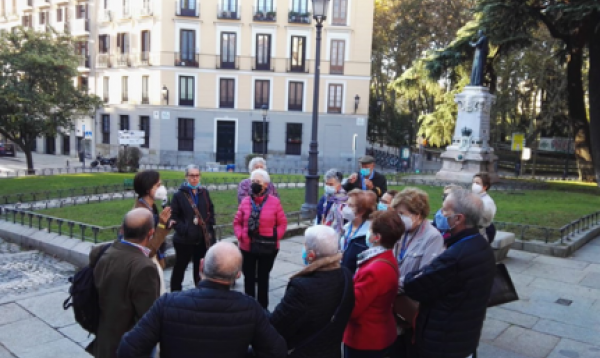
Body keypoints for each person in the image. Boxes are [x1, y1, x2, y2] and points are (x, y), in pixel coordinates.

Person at [117, 242, 287, 358]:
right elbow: (277, 351)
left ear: (201, 266)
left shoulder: (167, 303)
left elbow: (128, 349)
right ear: (237, 275)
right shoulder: (250, 308)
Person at [404, 189, 496, 358]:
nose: (440, 213)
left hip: (442, 341)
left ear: (459, 218)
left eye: (445, 210)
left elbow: (414, 286)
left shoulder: (455, 257)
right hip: (464, 336)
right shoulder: (480, 245)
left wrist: (415, 273)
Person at [270, 225, 355, 358]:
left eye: (305, 245)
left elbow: (277, 326)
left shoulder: (302, 288)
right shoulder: (346, 274)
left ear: (311, 255)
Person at [87, 209, 160, 358]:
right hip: (130, 347)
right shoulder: (144, 267)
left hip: (104, 341)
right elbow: (149, 317)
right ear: (150, 233)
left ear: (122, 230)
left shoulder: (103, 253)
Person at [389, 187, 445, 357]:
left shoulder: (432, 237)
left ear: (418, 214)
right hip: (393, 305)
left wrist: (393, 285)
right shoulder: (400, 232)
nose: (399, 218)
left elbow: (427, 275)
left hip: (411, 305)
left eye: (402, 213)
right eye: (396, 213)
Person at [343, 211, 404, 358]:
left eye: (370, 229)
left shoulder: (375, 270)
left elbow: (353, 308)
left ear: (377, 237)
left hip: (366, 339)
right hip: (377, 333)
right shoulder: (385, 257)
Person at [234, 169, 287, 308]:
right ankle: (248, 307)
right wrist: (241, 236)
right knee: (249, 278)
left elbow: (282, 223)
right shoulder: (245, 201)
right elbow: (237, 222)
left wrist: (276, 237)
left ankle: (263, 308)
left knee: (263, 279)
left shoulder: (274, 202)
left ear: (265, 185)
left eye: (258, 182)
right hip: (247, 246)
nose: (254, 184)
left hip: (267, 245)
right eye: (253, 182)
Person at [169, 165, 216, 292]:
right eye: (192, 176)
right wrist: (184, 229)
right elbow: (173, 215)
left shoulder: (204, 193)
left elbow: (210, 210)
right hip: (184, 239)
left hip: (201, 238)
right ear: (186, 177)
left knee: (200, 267)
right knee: (180, 267)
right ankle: (175, 293)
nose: (194, 178)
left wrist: (209, 227)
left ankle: (199, 292)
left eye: (197, 175)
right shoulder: (179, 195)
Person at [132, 170, 173, 295]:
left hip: (154, 261)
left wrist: (165, 225)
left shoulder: (151, 208)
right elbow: (147, 250)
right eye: (158, 185)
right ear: (147, 189)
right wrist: (161, 225)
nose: (162, 188)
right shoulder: (141, 213)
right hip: (147, 265)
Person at [340, 189, 376, 275]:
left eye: (351, 205)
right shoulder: (346, 227)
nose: (346, 208)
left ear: (361, 211)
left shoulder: (369, 233)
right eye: (346, 204)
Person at [316, 169, 348, 235]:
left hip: (338, 233)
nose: (328, 187)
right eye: (326, 184)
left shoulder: (345, 199)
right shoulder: (325, 197)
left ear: (339, 184)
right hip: (323, 231)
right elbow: (319, 213)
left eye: (331, 184)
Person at [473, 172, 497, 243]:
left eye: (477, 183)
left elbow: (486, 218)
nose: (474, 185)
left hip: (482, 232)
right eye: (473, 182)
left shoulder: (488, 201)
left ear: (485, 186)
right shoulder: (472, 197)